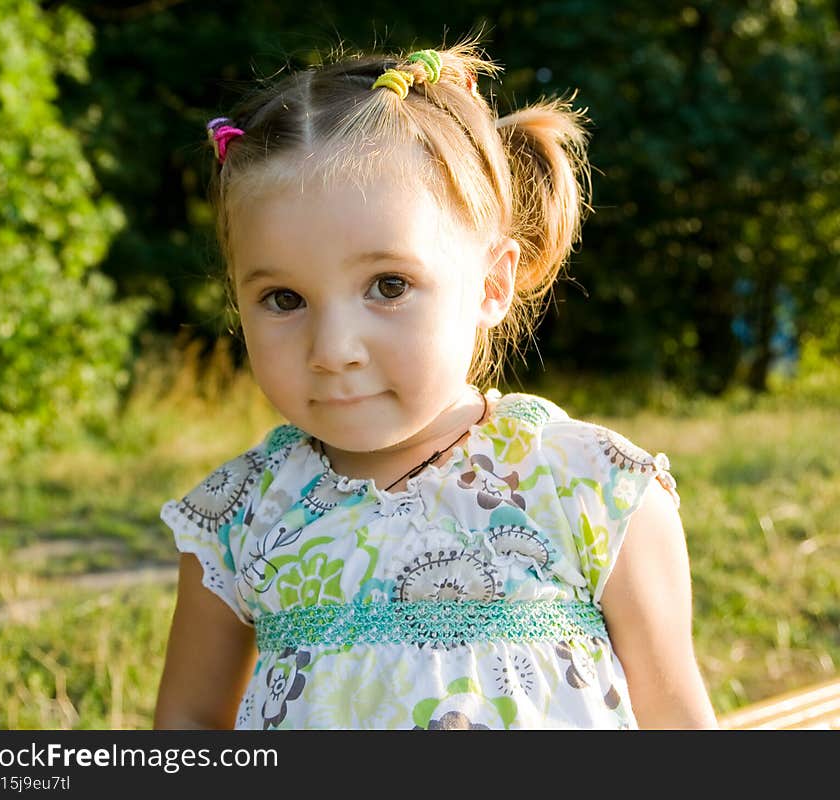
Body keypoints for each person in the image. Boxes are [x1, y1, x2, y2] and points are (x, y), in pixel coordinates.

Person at [153, 39, 719, 730]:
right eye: (283, 299)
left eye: (389, 286)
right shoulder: (239, 517)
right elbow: (188, 725)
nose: (333, 351)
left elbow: (679, 726)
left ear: (491, 283)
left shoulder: (589, 488)